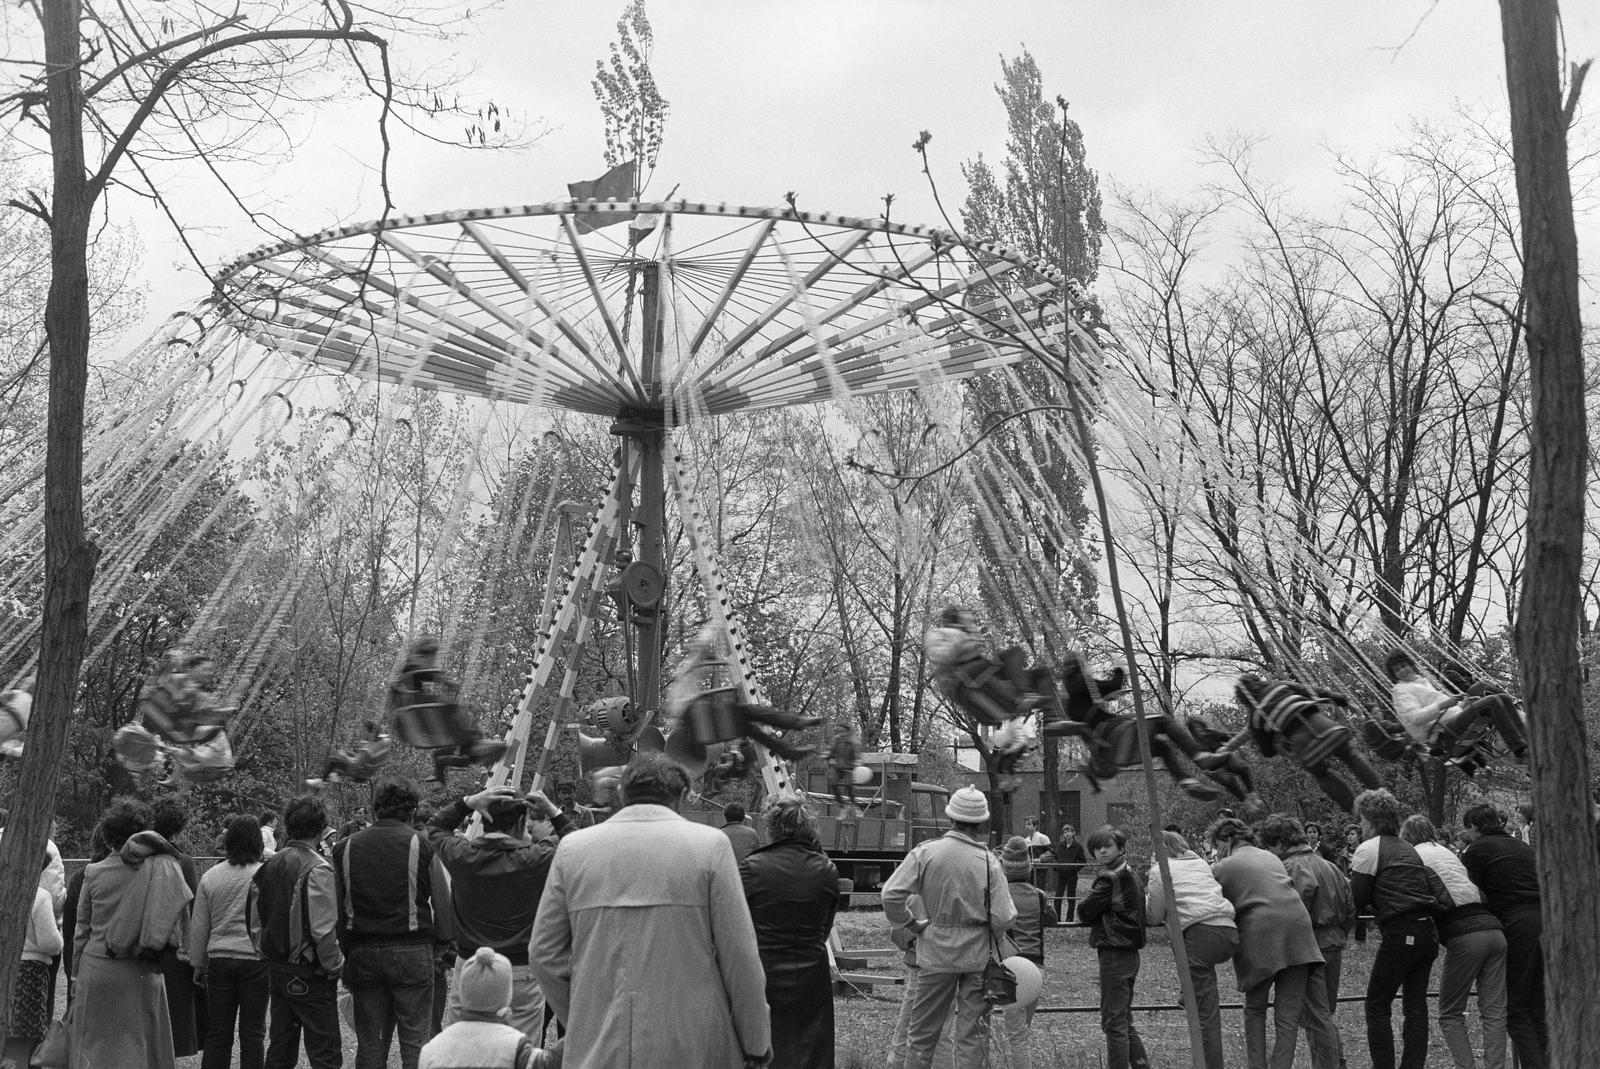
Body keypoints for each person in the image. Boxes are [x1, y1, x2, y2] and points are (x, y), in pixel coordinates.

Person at [530, 751, 771, 1068]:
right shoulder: (711, 847)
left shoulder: (573, 850)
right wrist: (756, 1043)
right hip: (693, 1042)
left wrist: (585, 1015)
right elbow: (740, 955)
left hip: (598, 1045)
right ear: (682, 795)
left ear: (622, 794)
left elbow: (543, 953)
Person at [881, 785, 1014, 1069]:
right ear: (982, 822)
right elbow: (1004, 916)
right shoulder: (989, 861)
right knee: (974, 1034)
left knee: (922, 1034)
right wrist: (989, 932)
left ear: (950, 817)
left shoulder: (926, 853)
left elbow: (890, 894)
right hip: (977, 956)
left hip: (935, 953)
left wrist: (910, 923)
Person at [427, 784, 574, 1039]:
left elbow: (435, 827)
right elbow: (575, 839)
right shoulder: (537, 858)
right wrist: (552, 810)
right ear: (520, 822)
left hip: (471, 965)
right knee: (520, 1052)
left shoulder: (461, 855)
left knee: (466, 1048)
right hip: (521, 970)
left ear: (485, 820)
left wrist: (468, 801)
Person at [69, 796, 194, 1069]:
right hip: (142, 969)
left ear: (108, 834)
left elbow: (82, 930)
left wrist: (75, 975)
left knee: (95, 1047)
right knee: (143, 1047)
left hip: (99, 967)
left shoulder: (93, 872)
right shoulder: (164, 869)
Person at [1207, 817, 1336, 1069]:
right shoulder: (1271, 858)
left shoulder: (1223, 867)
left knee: (1255, 1009)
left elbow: (1210, 900)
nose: (1215, 851)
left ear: (1226, 839)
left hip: (1262, 938)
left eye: (1216, 845)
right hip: (1300, 936)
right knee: (1287, 1017)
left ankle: (1257, 1066)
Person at [334, 777, 440, 1069]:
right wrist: (442, 947)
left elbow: (338, 909)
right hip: (413, 952)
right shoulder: (422, 845)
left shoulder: (344, 847)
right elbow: (443, 902)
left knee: (370, 1044)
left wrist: (347, 950)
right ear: (412, 811)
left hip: (363, 953)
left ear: (374, 809)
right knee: (416, 1043)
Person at [739, 797, 841, 1069]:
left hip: (763, 968)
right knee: (812, 1046)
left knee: (766, 1042)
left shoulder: (751, 867)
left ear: (771, 827)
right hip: (811, 970)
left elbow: (739, 925)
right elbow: (825, 927)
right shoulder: (827, 870)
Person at [1400, 814, 1507, 1069]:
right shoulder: (1448, 852)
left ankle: (1466, 1066)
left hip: (1465, 934)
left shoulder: (1414, 857)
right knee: (1494, 1011)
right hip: (1495, 930)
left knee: (1449, 1012)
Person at [1348, 788, 1444, 1069]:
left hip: (1402, 932)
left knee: (1377, 1006)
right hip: (1428, 932)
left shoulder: (1369, 849)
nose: (1361, 826)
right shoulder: (1408, 848)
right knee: (1415, 1005)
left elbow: (1357, 900)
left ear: (1371, 819)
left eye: (1362, 820)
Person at [249, 794, 345, 1069]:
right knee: (325, 1052)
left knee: (280, 1048)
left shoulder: (269, 866)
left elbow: (255, 923)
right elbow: (323, 930)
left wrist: (266, 953)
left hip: (277, 970)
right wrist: (335, 964)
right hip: (310, 972)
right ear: (321, 827)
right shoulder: (318, 868)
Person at [1256, 813, 1353, 1069]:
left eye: (1268, 847)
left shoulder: (1292, 868)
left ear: (1277, 843)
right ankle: (1334, 1062)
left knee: (1317, 1016)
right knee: (1323, 1013)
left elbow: (1293, 911)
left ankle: (1331, 1064)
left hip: (1309, 947)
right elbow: (1350, 907)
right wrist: (1340, 932)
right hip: (1333, 942)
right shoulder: (1329, 865)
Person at [1053, 659, 1225, 801]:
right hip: (1110, 732)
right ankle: (1199, 755)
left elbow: (1097, 700)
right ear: (1079, 668)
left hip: (1104, 748)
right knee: (1162, 719)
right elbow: (1114, 685)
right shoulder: (1083, 683)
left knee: (1162, 746)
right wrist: (1119, 669)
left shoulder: (1071, 698)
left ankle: (1188, 782)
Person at [1460, 801, 1546, 1069]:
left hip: (1517, 924)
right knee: (1538, 1005)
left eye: (1468, 829)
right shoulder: (1521, 846)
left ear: (1474, 827)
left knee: (1515, 1008)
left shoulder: (1477, 850)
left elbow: (1471, 891)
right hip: (1545, 920)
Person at [1143, 829, 1237, 1069]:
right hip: (1227, 930)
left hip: (1200, 933)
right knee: (1205, 995)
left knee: (1205, 1015)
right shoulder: (1201, 864)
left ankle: (1210, 1065)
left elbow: (1154, 915)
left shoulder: (1160, 870)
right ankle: (1189, 992)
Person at [1235, 674, 1381, 812]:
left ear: (1244, 700)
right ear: (1258, 681)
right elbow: (1316, 692)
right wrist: (1343, 701)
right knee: (1350, 755)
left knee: (1322, 775)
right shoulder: (1281, 686)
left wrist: (1276, 740)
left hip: (1305, 747)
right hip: (1326, 727)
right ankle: (1381, 793)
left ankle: (1354, 810)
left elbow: (1267, 751)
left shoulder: (1254, 717)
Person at [192, 814, 270, 1069]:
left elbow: (200, 925)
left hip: (220, 959)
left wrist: (198, 964)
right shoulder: (266, 875)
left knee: (218, 1032)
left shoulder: (211, 876)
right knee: (253, 1032)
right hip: (256, 961)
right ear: (259, 842)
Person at [924, 607, 1041, 777]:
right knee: (988, 676)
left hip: (977, 672)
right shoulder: (940, 634)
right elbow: (941, 655)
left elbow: (973, 653)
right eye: (963, 622)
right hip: (962, 679)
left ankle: (1015, 732)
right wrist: (963, 638)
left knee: (1014, 654)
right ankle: (1013, 715)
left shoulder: (963, 634)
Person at [390, 636, 508, 783]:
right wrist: (446, 681)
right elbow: (426, 672)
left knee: (452, 710)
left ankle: (439, 778)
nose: (433, 660)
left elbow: (426, 673)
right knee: (452, 709)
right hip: (412, 703)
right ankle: (439, 777)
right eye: (432, 656)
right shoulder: (416, 663)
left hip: (412, 704)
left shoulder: (469, 752)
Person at [418, 947, 560, 1069]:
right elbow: (550, 1061)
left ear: (462, 989)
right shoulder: (516, 1047)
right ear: (506, 996)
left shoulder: (431, 1050)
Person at [1078, 824, 1148, 1069]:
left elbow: (1084, 911)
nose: (1102, 852)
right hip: (1129, 951)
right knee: (1123, 1019)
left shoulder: (1109, 877)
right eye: (1097, 848)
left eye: (1107, 846)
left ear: (1120, 847)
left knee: (1114, 1021)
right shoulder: (1129, 872)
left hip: (1114, 951)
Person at [1384, 652, 1527, 768]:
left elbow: (1445, 712)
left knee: (1503, 697)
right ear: (1393, 674)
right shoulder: (1401, 691)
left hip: (1453, 720)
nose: (1402, 671)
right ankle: (1519, 750)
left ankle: (1523, 738)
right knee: (1493, 701)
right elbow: (1415, 718)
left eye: (1403, 666)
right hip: (1445, 732)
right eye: (1397, 669)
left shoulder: (1420, 682)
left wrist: (1462, 704)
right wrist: (1444, 704)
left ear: (1410, 665)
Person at [152, 797, 206, 1059]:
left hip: (146, 945)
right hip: (174, 949)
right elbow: (192, 908)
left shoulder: (139, 858)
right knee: (174, 1013)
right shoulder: (183, 862)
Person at [999, 836, 1056, 1069]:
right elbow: (1052, 920)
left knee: (1017, 1035)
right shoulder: (1039, 895)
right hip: (1037, 968)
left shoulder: (1000, 895)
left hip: (1012, 968)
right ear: (1029, 867)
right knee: (1024, 1029)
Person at [4, 850, 62, 1069]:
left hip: (6, 966)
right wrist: (60, 938)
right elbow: (50, 943)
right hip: (30, 973)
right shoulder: (39, 896)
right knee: (23, 1038)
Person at [308, 719, 393, 788]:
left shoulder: (368, 750)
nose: (362, 732)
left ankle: (322, 781)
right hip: (369, 771)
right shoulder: (385, 741)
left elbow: (354, 763)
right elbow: (378, 742)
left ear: (370, 733)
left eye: (364, 730)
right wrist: (368, 741)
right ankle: (336, 775)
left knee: (336, 757)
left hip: (359, 775)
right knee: (349, 752)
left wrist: (343, 756)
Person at [1053, 823, 1087, 921]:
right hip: (1061, 875)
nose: (1067, 834)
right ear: (1063, 834)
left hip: (1072, 876)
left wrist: (1073, 868)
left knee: (1071, 898)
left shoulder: (1078, 847)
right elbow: (1055, 857)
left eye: (1069, 832)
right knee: (1057, 897)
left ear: (1073, 833)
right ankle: (1057, 919)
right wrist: (1056, 867)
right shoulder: (1060, 845)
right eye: (1065, 832)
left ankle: (1069, 919)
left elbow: (1083, 861)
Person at [827, 722, 862, 811]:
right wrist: (827, 756)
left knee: (848, 785)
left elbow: (857, 756)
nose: (841, 734)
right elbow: (831, 752)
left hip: (848, 768)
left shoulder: (853, 743)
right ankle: (842, 805)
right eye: (839, 732)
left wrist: (856, 764)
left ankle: (854, 805)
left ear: (847, 732)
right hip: (837, 767)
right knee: (833, 783)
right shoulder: (836, 740)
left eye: (843, 732)